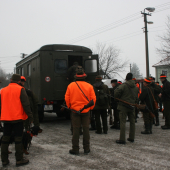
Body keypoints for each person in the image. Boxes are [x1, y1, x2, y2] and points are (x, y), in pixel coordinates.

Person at [0, 74, 33, 167]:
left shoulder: (3, 90)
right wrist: (30, 116)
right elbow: (26, 105)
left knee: (5, 139)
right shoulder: (20, 89)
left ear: (11, 80)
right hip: (17, 119)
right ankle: (19, 159)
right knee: (18, 139)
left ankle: (4, 160)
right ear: (19, 81)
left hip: (5, 119)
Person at [65, 66, 96, 155]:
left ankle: (75, 149)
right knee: (86, 130)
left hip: (75, 111)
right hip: (86, 112)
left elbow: (67, 98)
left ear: (76, 76)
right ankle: (86, 148)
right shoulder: (89, 86)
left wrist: (70, 107)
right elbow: (93, 99)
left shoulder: (70, 85)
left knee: (76, 130)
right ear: (84, 76)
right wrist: (90, 108)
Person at [114, 73, 138, 144]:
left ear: (126, 78)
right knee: (132, 122)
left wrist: (118, 98)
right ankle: (131, 137)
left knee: (122, 122)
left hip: (123, 106)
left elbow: (116, 93)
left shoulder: (123, 86)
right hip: (132, 106)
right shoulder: (136, 87)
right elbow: (136, 97)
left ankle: (122, 139)